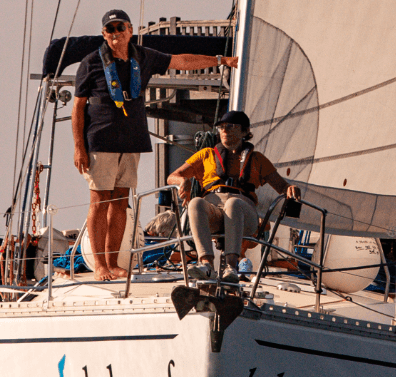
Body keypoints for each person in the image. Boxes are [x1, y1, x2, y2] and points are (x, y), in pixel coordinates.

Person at [73, 9, 240, 281]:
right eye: (110, 29)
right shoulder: (91, 62)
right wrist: (79, 147)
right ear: (104, 34)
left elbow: (180, 61)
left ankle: (113, 263)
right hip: (99, 141)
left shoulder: (143, 56)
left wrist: (219, 60)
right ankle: (100, 266)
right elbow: (78, 106)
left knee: (119, 202)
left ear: (129, 30)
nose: (116, 34)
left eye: (120, 28)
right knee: (99, 202)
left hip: (131, 139)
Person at [166, 111, 300, 280]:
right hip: (214, 209)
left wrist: (290, 188)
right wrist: (182, 181)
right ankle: (206, 264)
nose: (224, 130)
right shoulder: (206, 154)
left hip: (244, 212)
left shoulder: (257, 159)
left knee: (233, 204)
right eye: (221, 127)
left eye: (230, 127)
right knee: (195, 203)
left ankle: (232, 266)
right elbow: (172, 176)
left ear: (245, 132)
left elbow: (282, 186)